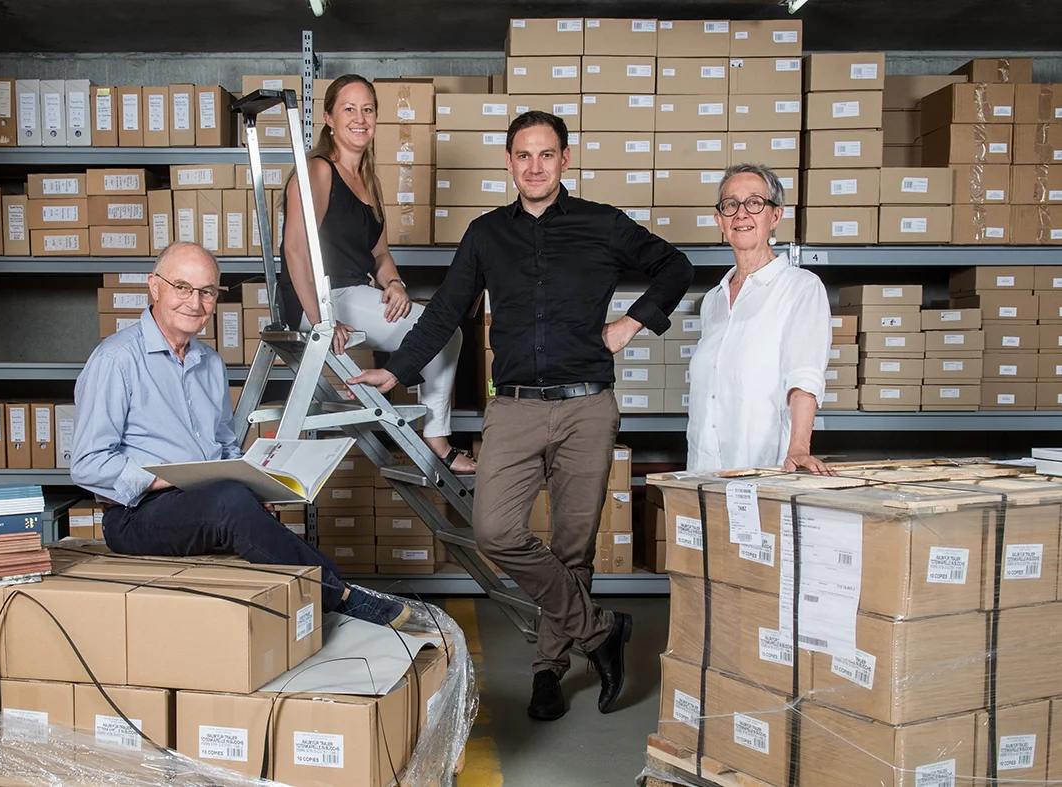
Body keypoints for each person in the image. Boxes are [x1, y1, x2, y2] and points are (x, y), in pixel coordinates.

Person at [350, 111, 695, 720]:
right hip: (512, 406)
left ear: (565, 159)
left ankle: (548, 669)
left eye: (546, 154)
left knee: (573, 546)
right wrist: (396, 370)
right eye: (523, 156)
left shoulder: (601, 224)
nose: (534, 166)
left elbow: (677, 266)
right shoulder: (486, 235)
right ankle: (600, 631)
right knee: (495, 531)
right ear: (509, 163)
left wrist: (630, 324)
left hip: (587, 405)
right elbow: (446, 310)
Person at [70, 241, 410, 628]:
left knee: (239, 497)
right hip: (135, 517)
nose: (194, 303)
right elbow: (86, 464)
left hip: (201, 501)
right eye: (182, 287)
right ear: (154, 286)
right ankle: (342, 595)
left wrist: (256, 485)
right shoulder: (116, 360)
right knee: (228, 500)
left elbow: (224, 445)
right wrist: (165, 477)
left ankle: (332, 586)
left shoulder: (209, 363)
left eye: (207, 292)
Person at [279, 73, 473, 473]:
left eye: (367, 109)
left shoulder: (369, 180)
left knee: (446, 332)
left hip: (354, 294)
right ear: (329, 117)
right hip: (318, 300)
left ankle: (433, 430)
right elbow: (295, 249)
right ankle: (436, 436)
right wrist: (321, 321)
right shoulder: (317, 171)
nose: (360, 117)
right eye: (349, 108)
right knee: (441, 332)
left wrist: (395, 283)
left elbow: (380, 253)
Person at [686, 163, 833, 474]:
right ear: (719, 220)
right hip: (703, 473)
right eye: (731, 205)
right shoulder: (713, 301)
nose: (741, 214)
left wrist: (798, 448)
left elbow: (804, 375)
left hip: (764, 472)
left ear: (775, 216)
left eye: (754, 203)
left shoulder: (800, 287)